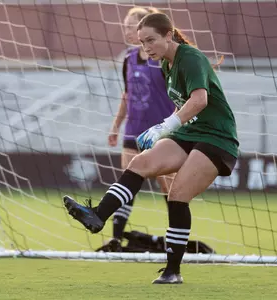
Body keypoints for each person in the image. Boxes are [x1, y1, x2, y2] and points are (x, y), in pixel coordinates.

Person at [63, 12, 239, 284]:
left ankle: (172, 271)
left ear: (168, 35)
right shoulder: (166, 64)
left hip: (217, 138)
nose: (145, 47)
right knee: (140, 164)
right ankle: (98, 216)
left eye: (151, 41)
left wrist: (165, 126)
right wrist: (162, 129)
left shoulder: (190, 57)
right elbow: (183, 106)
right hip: (190, 132)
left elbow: (200, 99)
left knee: (178, 193)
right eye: (142, 42)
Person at [101, 6, 175, 252]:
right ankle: (115, 237)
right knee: (127, 183)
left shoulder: (164, 59)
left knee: (169, 188)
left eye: (130, 26)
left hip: (162, 133)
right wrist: (115, 126)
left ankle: (176, 237)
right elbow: (127, 94)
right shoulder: (128, 59)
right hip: (133, 131)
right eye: (124, 27)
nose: (127, 31)